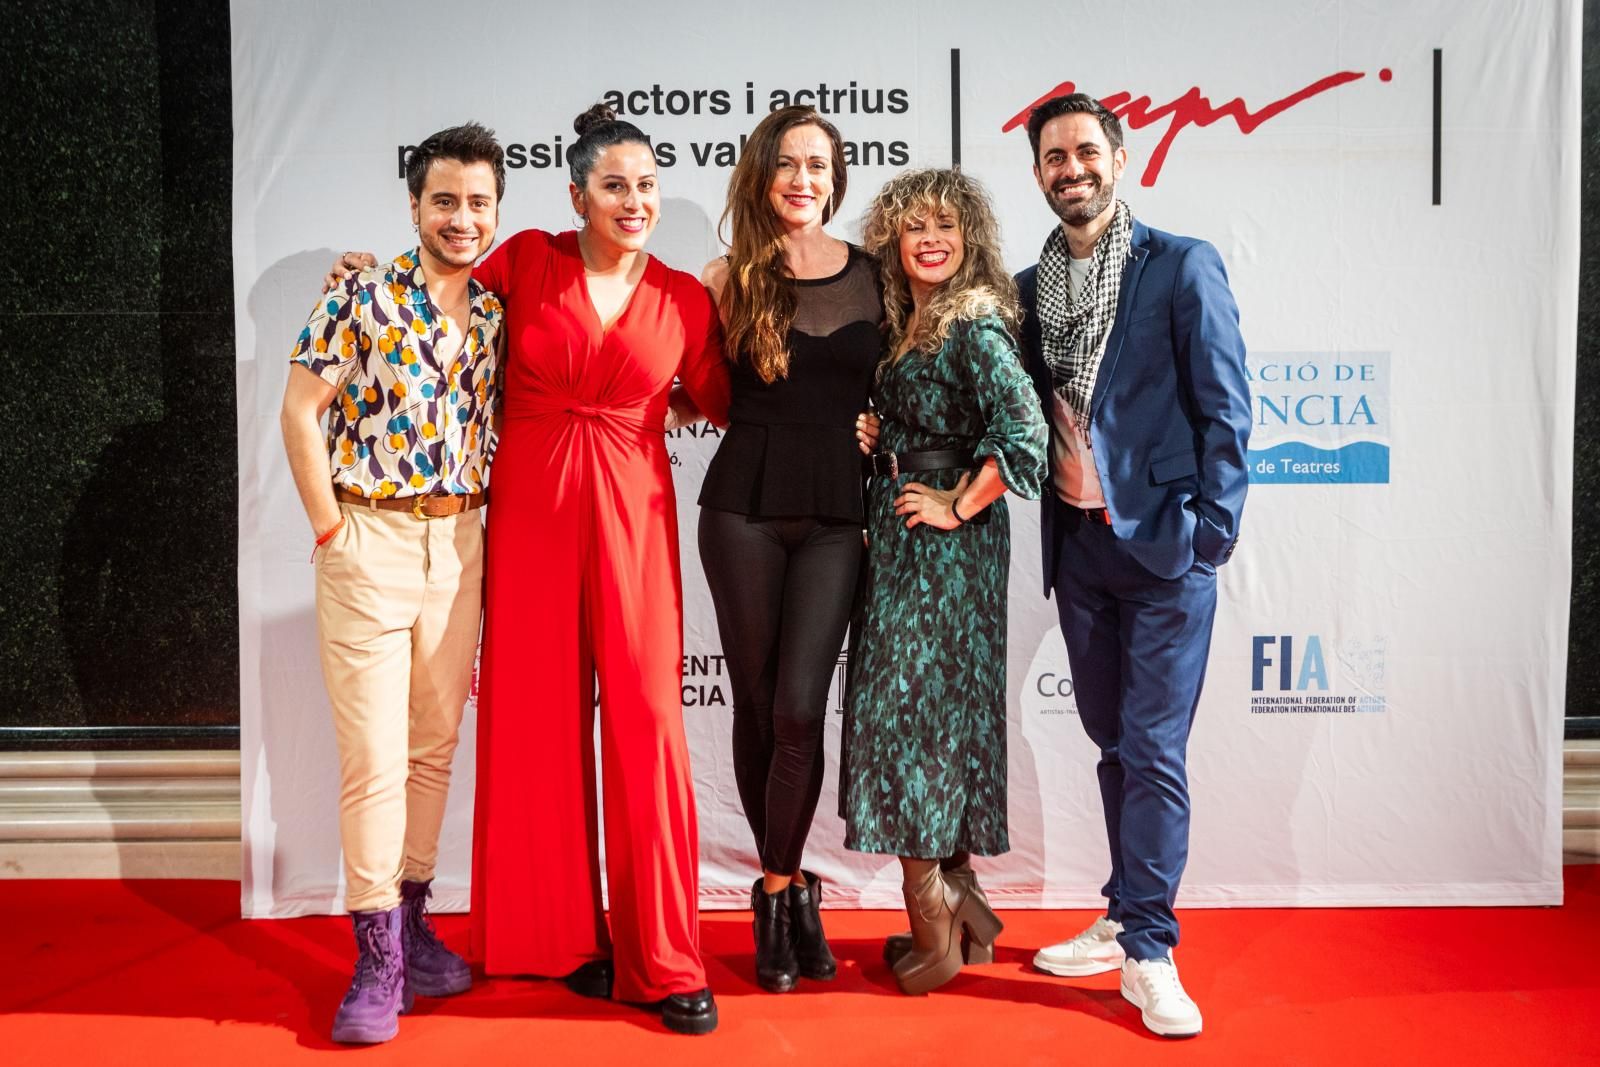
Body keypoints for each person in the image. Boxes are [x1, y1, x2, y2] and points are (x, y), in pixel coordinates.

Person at [1015, 93, 1250, 1039]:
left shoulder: (1181, 265)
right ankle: (1123, 911)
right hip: (1079, 550)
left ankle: (1151, 948)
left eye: (1084, 151)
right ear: (1037, 174)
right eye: (1052, 158)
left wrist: (1209, 536)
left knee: (1153, 748)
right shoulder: (1032, 288)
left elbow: (1228, 410)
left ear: (1120, 156)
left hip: (1164, 548)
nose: (1069, 169)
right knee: (1114, 740)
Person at [281, 122, 505, 1045]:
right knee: (373, 759)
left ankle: (411, 923)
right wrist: (331, 528)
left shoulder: (494, 315)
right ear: (414, 205)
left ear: (497, 211)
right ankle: (375, 956)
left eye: (478, 202)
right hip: (367, 536)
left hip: (459, 542)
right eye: (444, 200)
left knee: (432, 747)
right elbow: (300, 412)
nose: (461, 218)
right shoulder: (360, 297)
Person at [840, 168, 1048, 996]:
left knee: (911, 724)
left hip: (943, 554)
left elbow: (1023, 432)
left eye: (947, 228)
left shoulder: (974, 325)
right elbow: (933, 416)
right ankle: (961, 905)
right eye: (915, 227)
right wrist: (879, 431)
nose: (931, 240)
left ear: (969, 242)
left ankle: (935, 932)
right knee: (926, 719)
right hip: (902, 536)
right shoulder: (910, 322)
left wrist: (960, 504)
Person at [696, 105, 882, 994]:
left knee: (804, 708)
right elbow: (679, 381)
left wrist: (895, 432)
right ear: (761, 176)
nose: (803, 179)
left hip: (838, 517)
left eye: (819, 165)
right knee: (761, 704)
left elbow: (915, 380)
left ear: (835, 178)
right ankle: (783, 895)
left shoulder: (879, 277)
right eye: (787, 164)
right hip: (742, 509)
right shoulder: (726, 277)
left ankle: (784, 887)